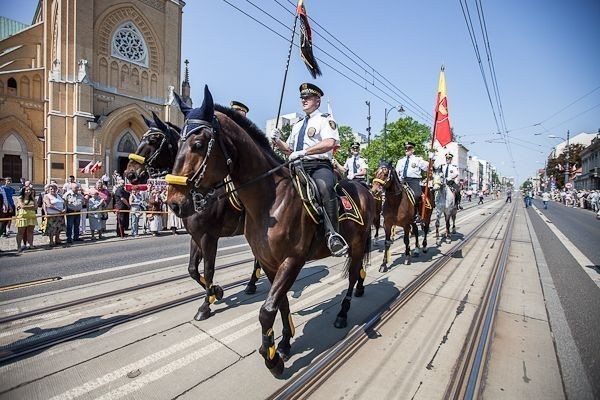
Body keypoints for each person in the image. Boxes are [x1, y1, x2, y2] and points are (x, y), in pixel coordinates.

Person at [271, 82, 348, 256]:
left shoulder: (325, 120)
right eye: (302, 98)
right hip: (297, 166)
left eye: (308, 97)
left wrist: (304, 152)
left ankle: (333, 235)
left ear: (317, 101)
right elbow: (289, 151)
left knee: (326, 189)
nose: (303, 100)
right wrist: (277, 141)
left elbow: (329, 143)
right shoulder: (297, 125)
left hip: (318, 166)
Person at [395, 142, 431, 222]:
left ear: (413, 150)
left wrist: (431, 158)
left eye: (409, 148)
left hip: (413, 181)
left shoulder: (418, 159)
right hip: (402, 181)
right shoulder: (400, 161)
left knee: (417, 194)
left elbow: (428, 167)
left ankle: (416, 214)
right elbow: (397, 172)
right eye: (406, 148)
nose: (407, 150)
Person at [15, 186, 37, 252]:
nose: (28, 192)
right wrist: (31, 207)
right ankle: (19, 246)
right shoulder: (20, 198)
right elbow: (22, 206)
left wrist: (33, 198)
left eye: (30, 190)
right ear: (23, 191)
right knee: (20, 232)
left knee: (30, 232)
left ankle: (31, 244)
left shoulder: (33, 198)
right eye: (27, 190)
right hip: (22, 217)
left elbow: (36, 207)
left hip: (31, 216)